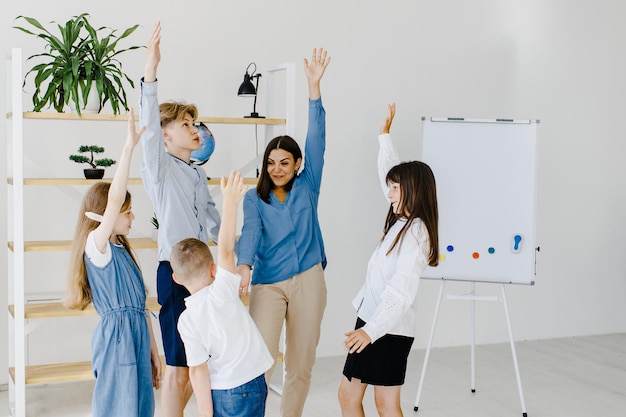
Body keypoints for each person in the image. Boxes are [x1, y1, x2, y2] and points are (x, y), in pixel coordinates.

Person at [236, 48, 331, 417]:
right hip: (269, 282)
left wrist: (314, 88)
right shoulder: (253, 199)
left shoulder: (309, 186)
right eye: (271, 163)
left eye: (284, 163)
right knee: (260, 361)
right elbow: (251, 233)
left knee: (301, 364)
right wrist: (244, 265)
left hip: (309, 277)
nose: (277, 169)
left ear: (298, 165)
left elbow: (317, 138)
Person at [140, 22, 221, 417]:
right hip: (174, 275)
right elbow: (149, 133)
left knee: (197, 367)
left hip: (203, 275)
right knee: (178, 370)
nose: (194, 130)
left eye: (194, 124)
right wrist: (151, 69)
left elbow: (213, 220)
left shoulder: (198, 173)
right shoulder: (160, 169)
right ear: (166, 134)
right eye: (185, 125)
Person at [337, 103, 440, 417]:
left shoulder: (416, 232)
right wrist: (384, 136)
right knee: (351, 396)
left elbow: (402, 291)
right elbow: (388, 174)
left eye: (396, 189)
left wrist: (371, 330)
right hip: (374, 321)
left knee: (383, 403)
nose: (389, 193)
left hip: (388, 328)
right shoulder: (402, 219)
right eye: (391, 188)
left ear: (411, 191)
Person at [66, 108, 161, 417]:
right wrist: (128, 147)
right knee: (118, 407)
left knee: (139, 407)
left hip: (136, 337)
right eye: (127, 211)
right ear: (105, 213)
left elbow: (141, 308)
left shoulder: (122, 250)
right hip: (117, 342)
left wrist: (155, 354)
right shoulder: (97, 247)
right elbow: (116, 196)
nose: (132, 217)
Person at [171, 171, 274, 417]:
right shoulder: (222, 290)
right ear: (213, 270)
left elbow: (197, 370)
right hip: (250, 382)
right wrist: (229, 203)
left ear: (176, 279)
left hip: (220, 391)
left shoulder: (185, 320)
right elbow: (226, 249)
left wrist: (206, 413)